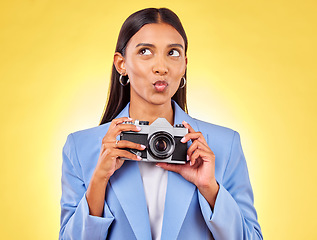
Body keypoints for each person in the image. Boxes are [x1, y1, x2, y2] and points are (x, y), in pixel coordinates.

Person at [59, 8, 263, 240]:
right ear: (121, 64)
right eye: (145, 51)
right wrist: (98, 181)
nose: (161, 67)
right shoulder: (81, 147)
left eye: (173, 53)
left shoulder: (224, 144)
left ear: (184, 64)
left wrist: (210, 188)